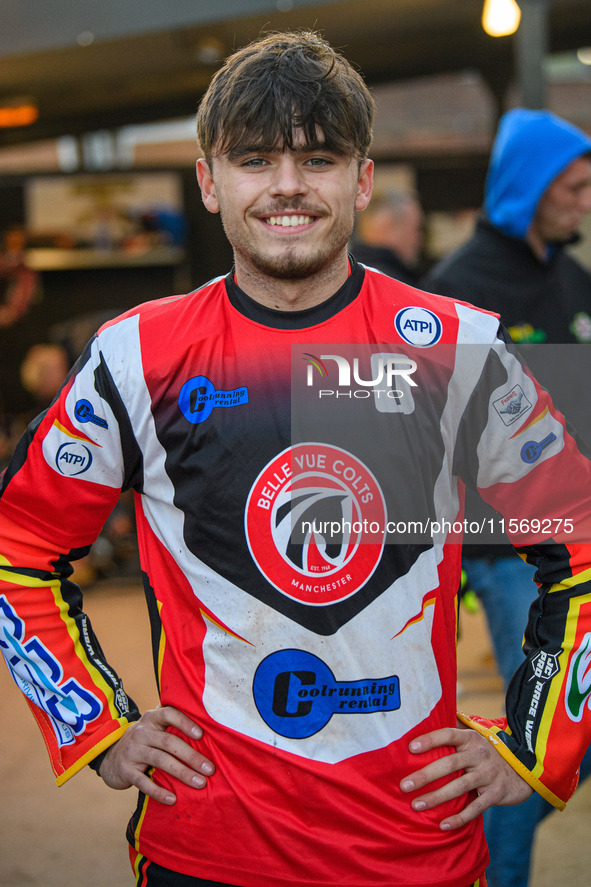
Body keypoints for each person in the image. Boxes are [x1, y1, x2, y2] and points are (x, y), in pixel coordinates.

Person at [1, 33, 591, 887]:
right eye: (253, 159)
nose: (285, 186)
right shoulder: (138, 355)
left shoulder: (455, 344)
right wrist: (93, 724)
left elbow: (579, 541)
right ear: (208, 181)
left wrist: (536, 746)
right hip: (205, 846)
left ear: (360, 178)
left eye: (316, 158)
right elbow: (19, 542)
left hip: (414, 846)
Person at [423, 108, 591, 887]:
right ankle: (496, 874)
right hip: (511, 554)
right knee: (537, 729)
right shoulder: (459, 291)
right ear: (529, 189)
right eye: (576, 187)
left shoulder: (570, 276)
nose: (586, 202)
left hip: (580, 535)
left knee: (566, 725)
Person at [351, 187, 424, 284]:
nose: (419, 239)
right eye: (416, 229)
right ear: (387, 226)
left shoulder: (345, 276)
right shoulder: (393, 284)